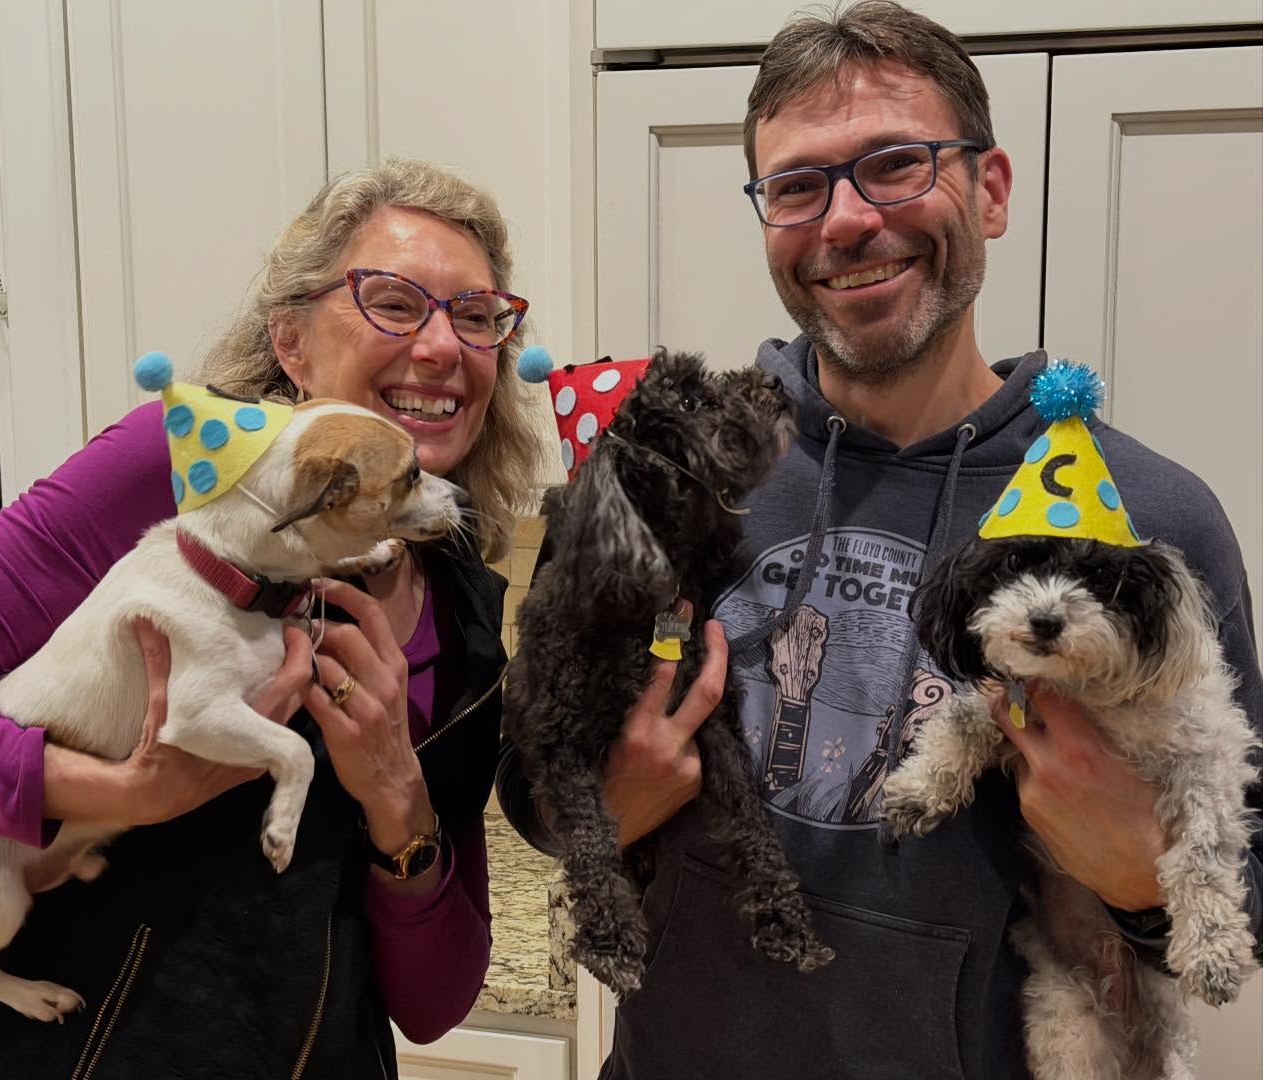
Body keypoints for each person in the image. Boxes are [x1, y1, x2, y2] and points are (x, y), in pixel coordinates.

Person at [497, 4, 1263, 1077]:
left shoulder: (1145, 524)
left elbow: (1248, 879)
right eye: (797, 186)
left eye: (897, 164)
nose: (848, 221)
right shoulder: (666, 470)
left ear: (990, 191)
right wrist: (604, 805)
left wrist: (1138, 885)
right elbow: (532, 780)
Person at [0, 158, 546, 1078]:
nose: (443, 346)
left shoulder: (466, 610)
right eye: (394, 303)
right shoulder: (170, 477)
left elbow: (433, 1004)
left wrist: (400, 805)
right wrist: (131, 793)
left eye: (477, 316)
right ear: (291, 342)